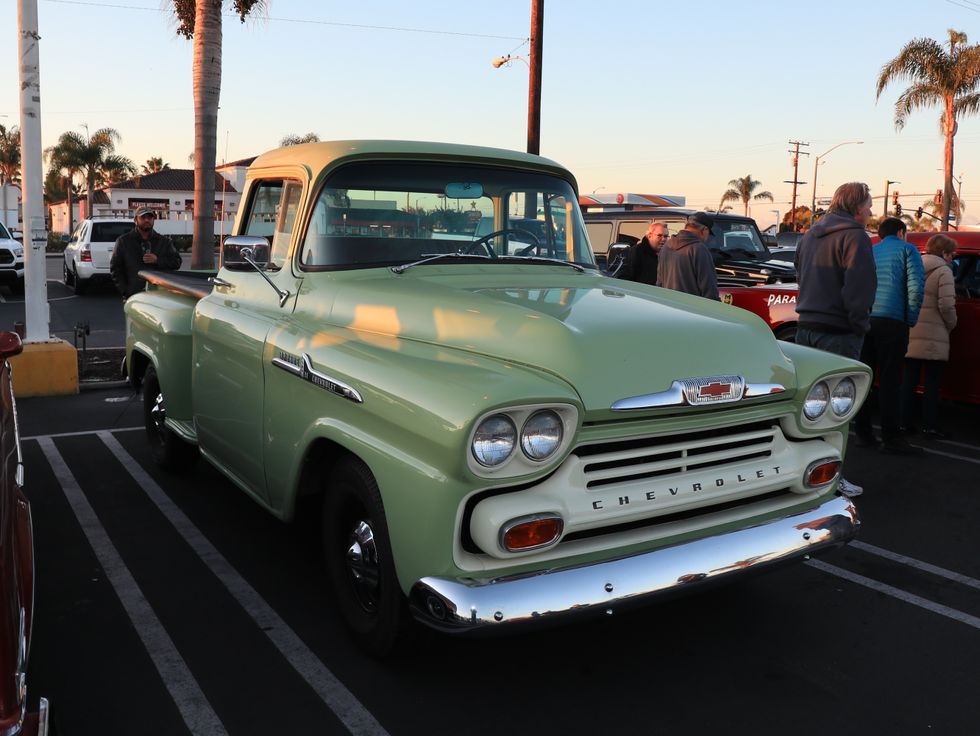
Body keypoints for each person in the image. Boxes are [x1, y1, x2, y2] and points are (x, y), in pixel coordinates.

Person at [794, 182, 877, 496]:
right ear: (857, 207)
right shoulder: (856, 236)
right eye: (868, 206)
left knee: (808, 409)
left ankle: (804, 472)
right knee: (838, 411)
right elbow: (860, 288)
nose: (870, 212)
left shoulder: (809, 235)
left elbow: (800, 275)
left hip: (806, 326)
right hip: (840, 332)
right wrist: (860, 324)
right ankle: (832, 476)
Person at [853, 217, 925, 454]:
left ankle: (863, 433)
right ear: (902, 232)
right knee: (890, 381)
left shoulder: (872, 251)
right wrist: (910, 319)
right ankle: (891, 437)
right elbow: (915, 288)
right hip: (893, 322)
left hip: (868, 320)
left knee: (865, 379)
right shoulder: (908, 250)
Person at [901, 234, 958, 438]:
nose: (952, 258)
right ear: (944, 253)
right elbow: (946, 305)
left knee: (909, 381)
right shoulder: (944, 272)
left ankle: (904, 423)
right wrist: (952, 324)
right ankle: (929, 425)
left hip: (911, 332)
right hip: (934, 335)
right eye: (952, 254)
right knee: (932, 384)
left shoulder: (916, 266)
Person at [110, 207, 182, 299]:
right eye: (143, 217)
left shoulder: (164, 242)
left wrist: (157, 260)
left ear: (154, 220)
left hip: (159, 294)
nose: (147, 220)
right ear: (136, 220)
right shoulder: (124, 241)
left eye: (150, 217)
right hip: (134, 295)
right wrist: (125, 291)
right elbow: (116, 269)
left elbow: (177, 262)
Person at [656, 212, 719, 300]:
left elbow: (659, 282)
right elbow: (709, 288)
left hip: (668, 306)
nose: (707, 238)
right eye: (708, 234)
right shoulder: (699, 249)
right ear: (704, 230)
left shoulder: (666, 246)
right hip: (692, 309)